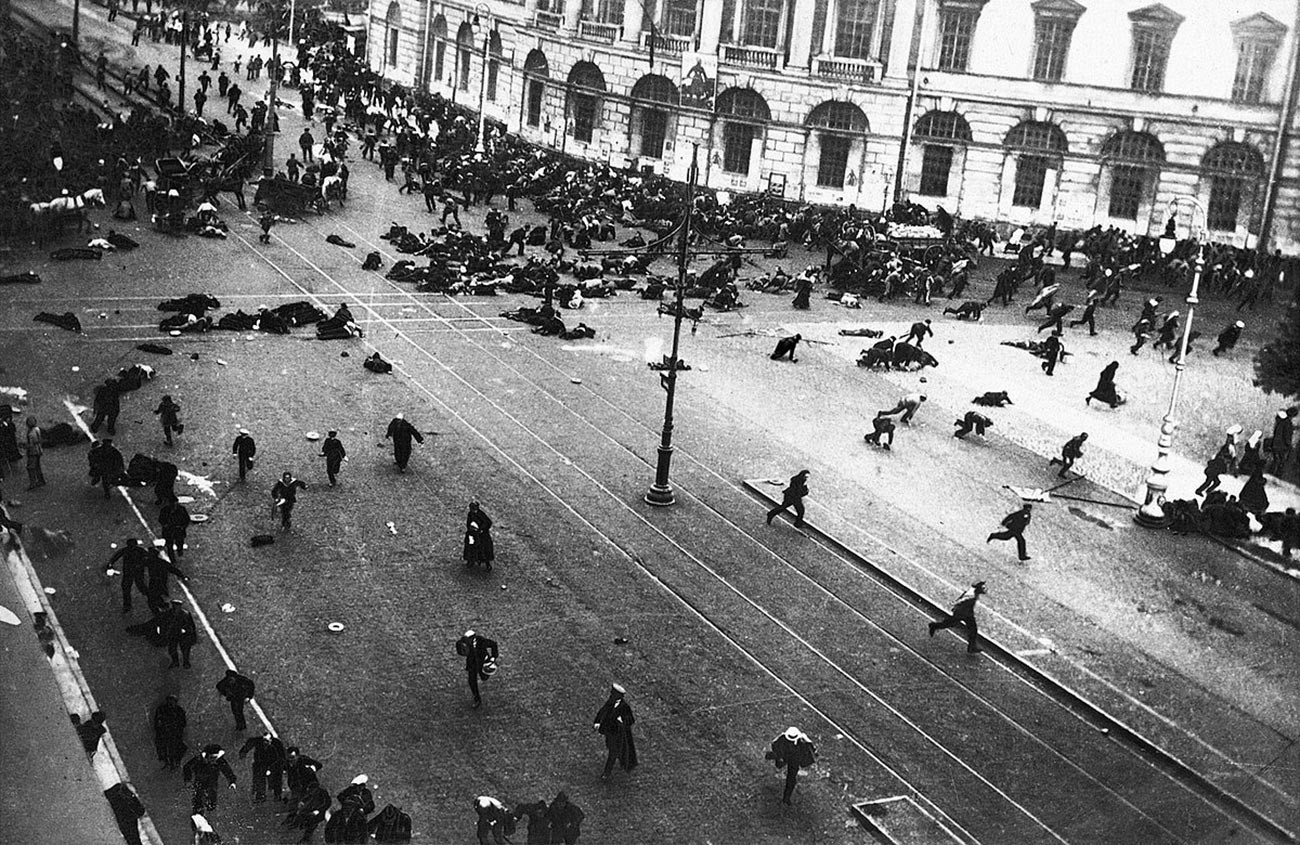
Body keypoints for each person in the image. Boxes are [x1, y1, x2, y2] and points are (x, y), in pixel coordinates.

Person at [593, 683, 637, 779]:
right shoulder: (611, 702)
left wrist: (622, 720)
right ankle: (620, 756)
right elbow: (603, 711)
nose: (611, 695)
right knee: (611, 748)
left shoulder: (624, 707)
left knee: (613, 753)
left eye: (614, 694)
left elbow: (631, 719)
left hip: (618, 734)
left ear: (619, 696)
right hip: (609, 732)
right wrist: (597, 722)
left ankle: (606, 772)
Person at [929, 581, 987, 653]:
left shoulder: (972, 592)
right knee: (950, 624)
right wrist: (955, 605)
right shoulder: (972, 596)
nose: (984, 589)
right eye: (982, 587)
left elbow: (961, 598)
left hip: (967, 613)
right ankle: (934, 626)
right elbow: (962, 600)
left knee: (972, 629)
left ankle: (971, 647)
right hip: (962, 613)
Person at [766, 726, 816, 804]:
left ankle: (787, 797)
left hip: (788, 759)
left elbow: (774, 744)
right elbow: (812, 749)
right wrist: (808, 740)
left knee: (791, 778)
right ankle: (786, 798)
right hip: (793, 761)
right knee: (791, 779)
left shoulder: (782, 739)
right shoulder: (801, 742)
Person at [182, 743, 237, 814]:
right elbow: (187, 767)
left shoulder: (220, 761)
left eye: (215, 757)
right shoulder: (198, 760)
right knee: (198, 799)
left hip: (212, 783)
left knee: (211, 803)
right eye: (211, 758)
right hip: (200, 782)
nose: (213, 760)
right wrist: (188, 779)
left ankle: (209, 811)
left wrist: (232, 782)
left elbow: (228, 771)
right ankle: (198, 812)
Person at [106, 538, 153, 613]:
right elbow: (149, 558)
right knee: (140, 587)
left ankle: (127, 606)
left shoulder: (126, 550)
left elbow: (116, 556)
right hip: (136, 572)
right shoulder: (139, 550)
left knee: (128, 588)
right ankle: (153, 599)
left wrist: (110, 564)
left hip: (129, 572)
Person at [455, 629, 499, 708]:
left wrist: (493, 657)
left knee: (484, 677)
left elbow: (493, 644)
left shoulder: (481, 641)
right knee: (472, 681)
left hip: (482, 662)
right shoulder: (467, 644)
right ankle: (477, 698)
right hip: (472, 664)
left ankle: (484, 675)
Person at [238, 732, 287, 803]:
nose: (264, 742)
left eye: (267, 741)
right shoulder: (259, 741)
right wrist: (244, 751)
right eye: (264, 740)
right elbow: (250, 742)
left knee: (277, 779)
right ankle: (260, 796)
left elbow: (281, 757)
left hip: (274, 763)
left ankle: (277, 795)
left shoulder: (277, 744)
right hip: (261, 763)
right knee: (259, 778)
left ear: (271, 740)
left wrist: (273, 768)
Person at [152, 694, 188, 770]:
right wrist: (160, 728)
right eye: (169, 701)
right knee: (162, 747)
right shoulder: (161, 709)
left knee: (178, 747)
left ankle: (176, 762)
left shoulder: (179, 710)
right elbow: (157, 721)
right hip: (164, 733)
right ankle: (166, 762)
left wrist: (177, 729)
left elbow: (183, 722)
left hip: (175, 733)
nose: (171, 703)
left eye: (173, 701)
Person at [160, 598, 198, 668]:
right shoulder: (168, 614)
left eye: (177, 605)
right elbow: (164, 624)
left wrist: (191, 634)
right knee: (172, 649)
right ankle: (175, 662)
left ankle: (186, 662)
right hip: (172, 633)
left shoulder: (185, 614)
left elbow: (191, 625)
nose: (176, 607)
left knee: (185, 649)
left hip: (183, 634)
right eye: (174, 605)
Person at [159, 495, 191, 561]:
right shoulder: (165, 510)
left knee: (179, 542)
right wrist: (165, 525)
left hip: (178, 530)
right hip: (169, 530)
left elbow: (186, 519)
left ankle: (180, 551)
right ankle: (172, 559)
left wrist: (183, 526)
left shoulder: (181, 509)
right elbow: (161, 519)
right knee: (169, 545)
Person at [463, 501, 494, 570]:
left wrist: (481, 529)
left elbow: (488, 523)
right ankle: (471, 560)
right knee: (470, 547)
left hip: (482, 536)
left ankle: (487, 564)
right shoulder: (470, 514)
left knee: (484, 550)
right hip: (473, 534)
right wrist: (471, 528)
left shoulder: (481, 515)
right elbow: (468, 523)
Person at [1269, 407, 1297, 476]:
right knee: (1282, 461)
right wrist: (1289, 445)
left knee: (1276, 460)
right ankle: (1277, 475)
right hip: (1282, 445)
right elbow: (1286, 435)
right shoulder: (1288, 423)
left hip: (1275, 443)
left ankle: (1271, 472)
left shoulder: (1280, 421)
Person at [25, 417, 44, 490]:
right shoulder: (37, 429)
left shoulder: (31, 434)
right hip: (38, 450)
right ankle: (40, 480)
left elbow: (31, 444)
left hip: (33, 452)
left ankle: (33, 483)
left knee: (31, 467)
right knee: (37, 466)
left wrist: (25, 446)